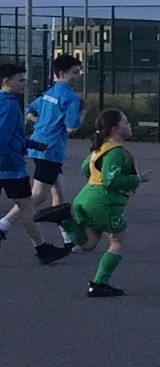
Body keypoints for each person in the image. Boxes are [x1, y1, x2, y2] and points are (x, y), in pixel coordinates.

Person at [47, 110, 146, 297]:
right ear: (115, 128)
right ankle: (99, 283)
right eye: (126, 122)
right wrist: (137, 179)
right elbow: (111, 180)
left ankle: (65, 220)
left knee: (89, 243)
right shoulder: (116, 151)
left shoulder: (100, 148)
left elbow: (86, 167)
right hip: (104, 202)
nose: (129, 125)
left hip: (87, 196)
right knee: (118, 241)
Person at [4, 55, 84, 249]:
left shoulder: (49, 93)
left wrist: (42, 123)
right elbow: (71, 127)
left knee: (59, 193)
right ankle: (4, 223)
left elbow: (30, 112)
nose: (79, 76)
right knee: (38, 195)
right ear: (62, 73)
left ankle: (68, 238)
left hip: (39, 144)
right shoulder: (70, 98)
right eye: (75, 72)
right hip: (51, 150)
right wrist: (84, 111)